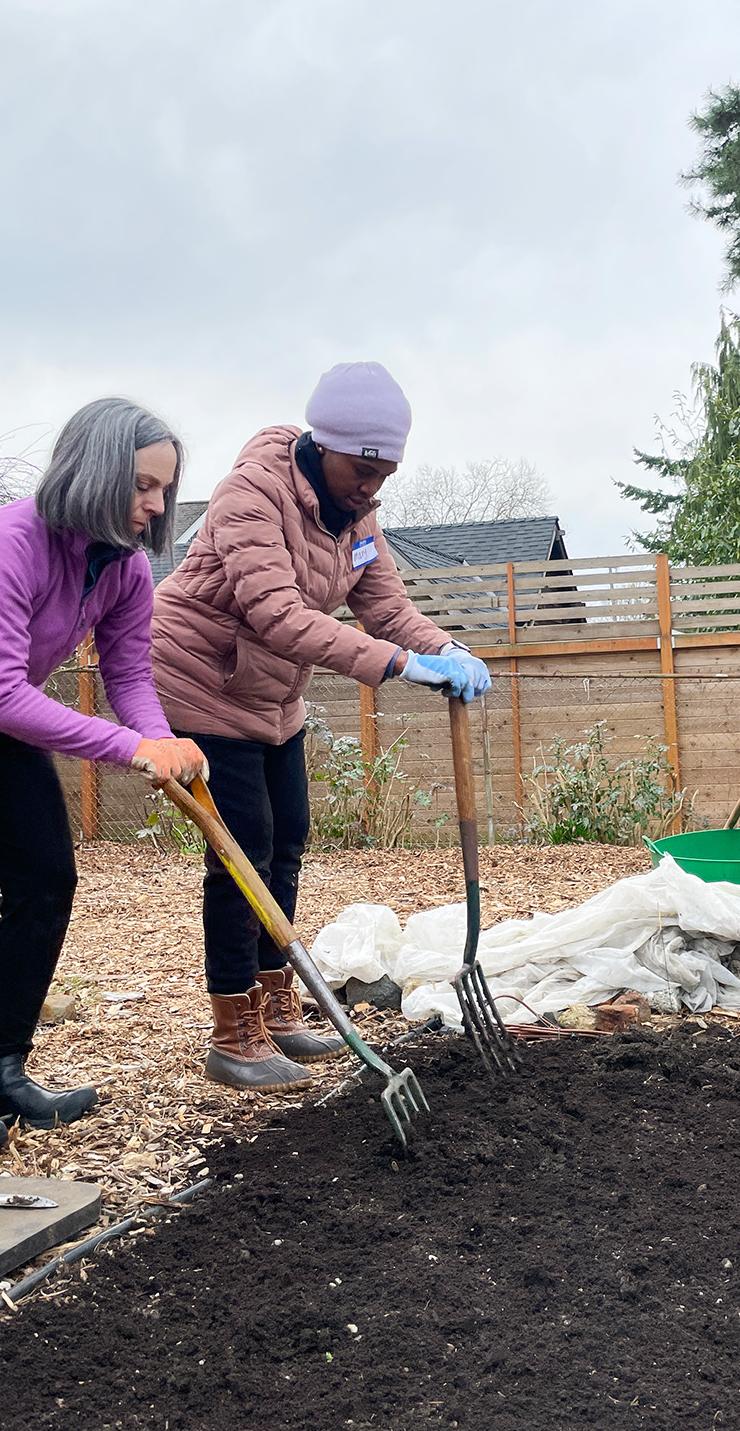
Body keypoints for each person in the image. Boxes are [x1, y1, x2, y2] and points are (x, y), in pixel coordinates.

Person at [151, 362, 491, 1092]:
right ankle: (232, 1029)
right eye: (362, 468)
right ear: (324, 442)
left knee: (289, 840)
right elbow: (276, 615)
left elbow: (387, 610)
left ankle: (275, 1005)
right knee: (244, 851)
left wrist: (446, 649)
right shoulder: (254, 492)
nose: (372, 486)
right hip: (201, 681)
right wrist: (400, 667)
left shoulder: (358, 520)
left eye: (386, 472)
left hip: (274, 698)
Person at [0, 399, 207, 1147]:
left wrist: (161, 739)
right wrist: (126, 748)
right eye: (143, 485)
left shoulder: (124, 569)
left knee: (47, 882)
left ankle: (3, 1071)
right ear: (95, 470)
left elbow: (129, 674)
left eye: (164, 490)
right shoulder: (5, 543)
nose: (156, 504)